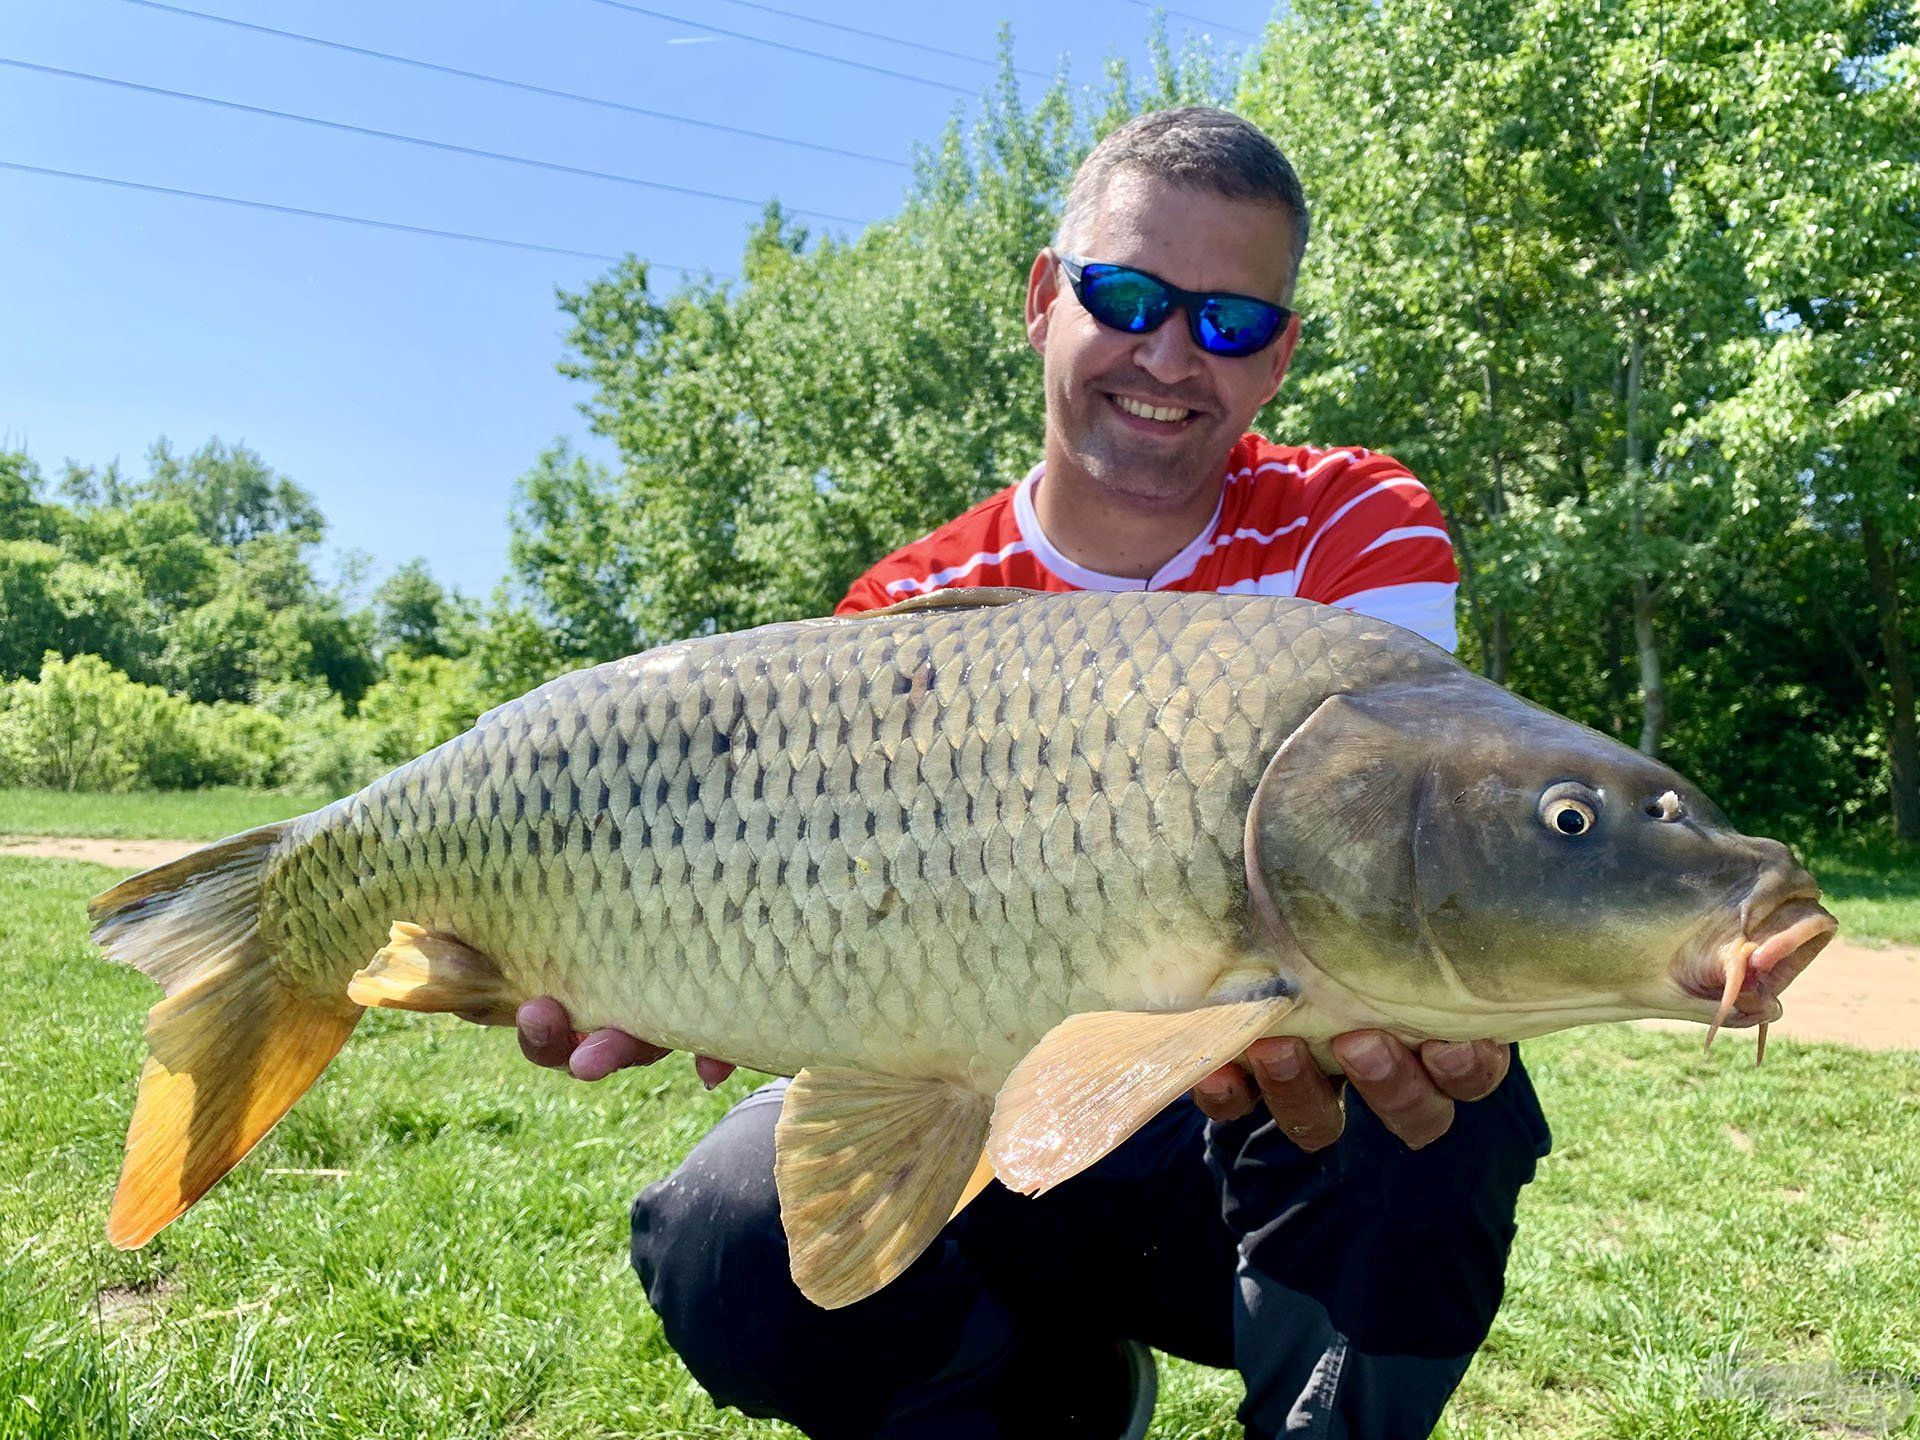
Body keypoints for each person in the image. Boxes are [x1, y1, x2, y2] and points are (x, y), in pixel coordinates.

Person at [516, 107, 1550, 1439]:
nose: (1168, 355)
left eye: (1229, 323)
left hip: (1256, 1163)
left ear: (1277, 357)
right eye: (1125, 296)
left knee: (1423, 1080)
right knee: (731, 1231)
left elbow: (1415, 845)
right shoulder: (904, 606)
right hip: (1001, 1133)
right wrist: (683, 963)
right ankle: (1048, 1398)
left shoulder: (1355, 522)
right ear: (1042, 300)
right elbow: (838, 953)